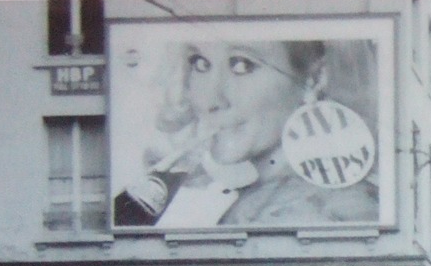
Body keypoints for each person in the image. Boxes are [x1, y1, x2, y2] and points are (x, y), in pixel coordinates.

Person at [114, 38, 378, 229]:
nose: (211, 100)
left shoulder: (334, 212)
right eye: (201, 63)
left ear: (314, 78)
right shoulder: (242, 197)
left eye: (241, 65)